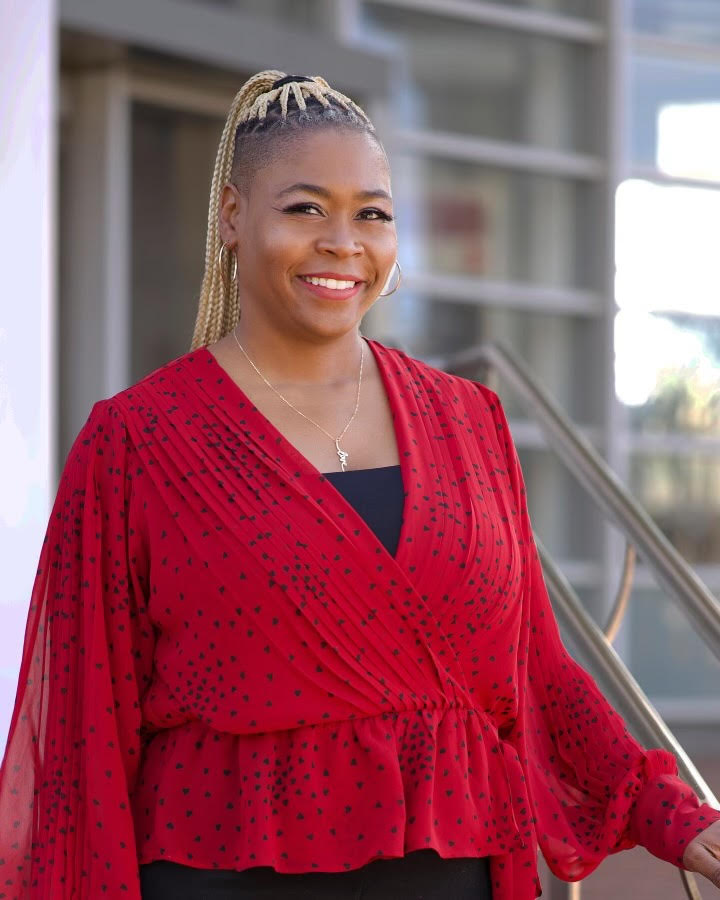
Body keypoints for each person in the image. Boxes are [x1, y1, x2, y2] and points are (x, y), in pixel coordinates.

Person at [0, 69, 718, 900]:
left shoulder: (470, 420)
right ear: (231, 216)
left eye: (372, 214)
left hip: (453, 876)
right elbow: (83, 728)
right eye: (306, 208)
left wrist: (672, 814)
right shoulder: (137, 440)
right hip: (218, 875)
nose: (344, 242)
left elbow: (534, 672)